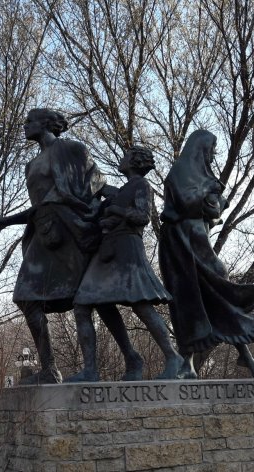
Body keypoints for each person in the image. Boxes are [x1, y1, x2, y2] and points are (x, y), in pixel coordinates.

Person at [0, 108, 143, 384]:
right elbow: (42, 205)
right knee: (26, 298)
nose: (24, 126)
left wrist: (123, 199)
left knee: (93, 298)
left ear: (45, 123)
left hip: (73, 231)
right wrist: (6, 221)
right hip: (44, 234)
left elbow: (94, 185)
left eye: (29, 121)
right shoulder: (31, 165)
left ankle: (130, 356)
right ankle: (49, 369)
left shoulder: (73, 149)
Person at [69, 146, 183, 381]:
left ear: (134, 162)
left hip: (128, 249)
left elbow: (142, 217)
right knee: (84, 304)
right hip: (107, 250)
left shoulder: (141, 185)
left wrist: (116, 210)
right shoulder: (122, 189)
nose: (121, 160)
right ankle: (92, 369)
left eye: (125, 156)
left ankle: (174, 358)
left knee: (141, 305)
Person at [158, 129, 254, 379]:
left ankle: (245, 354)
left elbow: (214, 214)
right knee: (185, 303)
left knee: (221, 298)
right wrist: (211, 199)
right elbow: (188, 204)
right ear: (201, 149)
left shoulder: (208, 179)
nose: (214, 155)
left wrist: (214, 201)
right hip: (178, 248)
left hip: (200, 246)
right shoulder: (178, 174)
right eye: (212, 150)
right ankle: (187, 363)